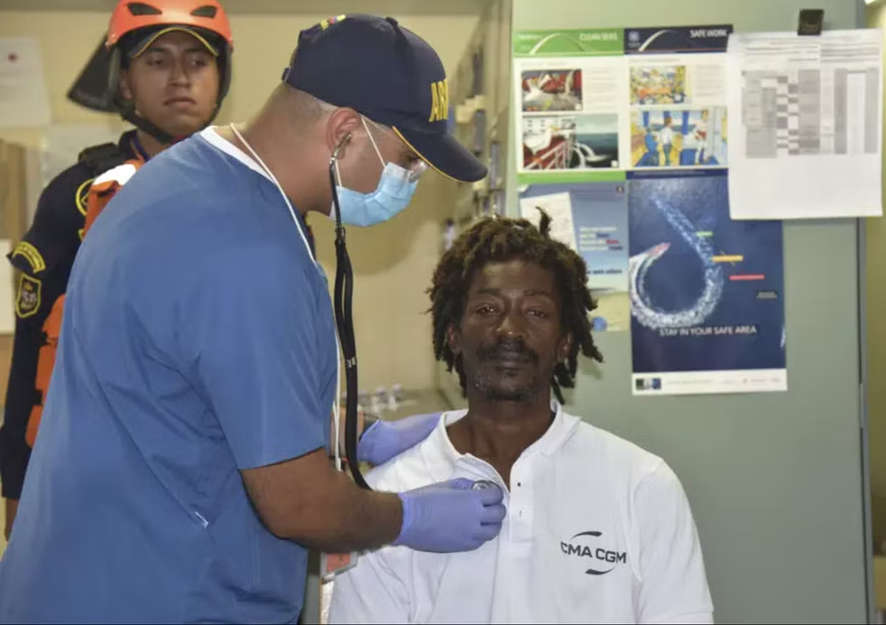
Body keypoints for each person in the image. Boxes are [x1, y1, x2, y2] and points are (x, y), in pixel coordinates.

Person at [0, 14, 505, 623]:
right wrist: (410, 516)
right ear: (345, 133)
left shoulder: (184, 180)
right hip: (159, 598)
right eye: (408, 160)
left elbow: (191, 391)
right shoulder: (249, 252)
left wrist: (357, 433)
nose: (412, 180)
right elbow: (300, 505)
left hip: (83, 581)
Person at [330, 212, 714, 623]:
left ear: (565, 342)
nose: (510, 330)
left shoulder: (642, 485)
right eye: (487, 308)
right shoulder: (390, 500)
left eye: (536, 312)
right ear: (453, 335)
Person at [0, 0, 234, 540]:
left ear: (221, 77)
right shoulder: (78, 197)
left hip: (224, 477)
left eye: (198, 61)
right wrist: (18, 491)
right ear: (125, 82)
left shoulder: (259, 192)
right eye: (157, 61)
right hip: (99, 480)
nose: (180, 76)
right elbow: (33, 356)